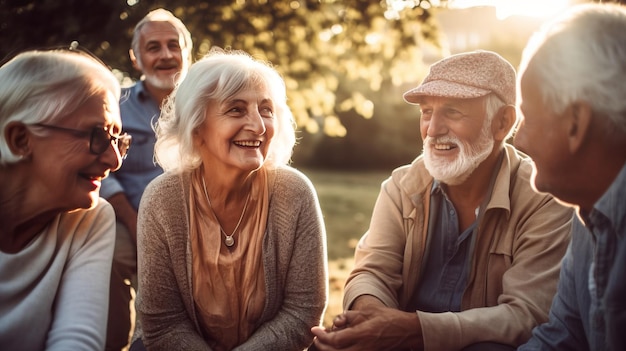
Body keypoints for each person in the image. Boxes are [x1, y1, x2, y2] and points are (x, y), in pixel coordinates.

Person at [311, 50, 574, 351]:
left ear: (502, 123)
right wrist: (372, 317)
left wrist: (415, 330)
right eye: (426, 111)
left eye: (452, 111)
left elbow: (527, 315)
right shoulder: (402, 186)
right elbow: (372, 271)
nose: (432, 130)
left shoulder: (543, 197)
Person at [130, 48, 328, 351]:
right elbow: (163, 323)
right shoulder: (162, 200)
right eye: (236, 110)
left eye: (266, 109)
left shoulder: (294, 192)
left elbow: (302, 313)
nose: (259, 126)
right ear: (197, 128)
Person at [0, 49, 131, 350]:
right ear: (20, 139)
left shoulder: (90, 217)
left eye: (117, 140)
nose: (114, 161)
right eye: (97, 135)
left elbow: (77, 342)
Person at [514, 3, 626, 351]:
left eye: (528, 117)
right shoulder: (586, 215)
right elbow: (561, 335)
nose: (517, 139)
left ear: (576, 122)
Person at [99, 8, 192, 351]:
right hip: (129, 222)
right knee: (104, 250)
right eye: (154, 47)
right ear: (136, 58)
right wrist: (135, 223)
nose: (166, 55)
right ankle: (112, 339)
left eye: (174, 45)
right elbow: (104, 171)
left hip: (194, 227)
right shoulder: (115, 106)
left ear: (187, 53)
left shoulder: (206, 104)